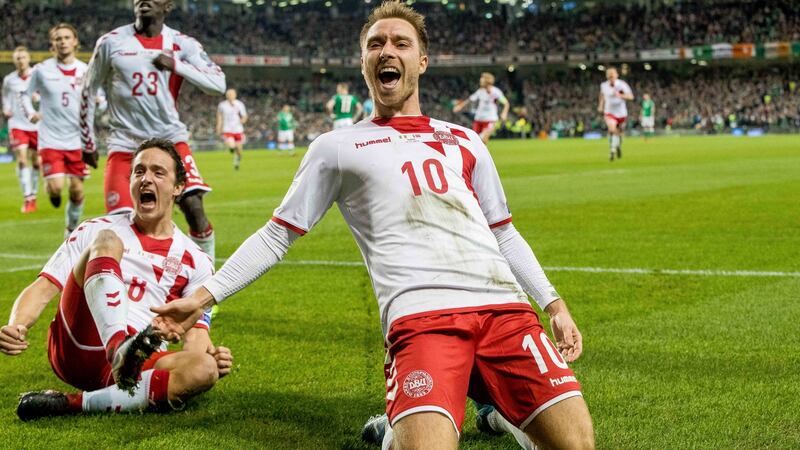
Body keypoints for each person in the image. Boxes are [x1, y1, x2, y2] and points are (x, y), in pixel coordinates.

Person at [152, 3, 594, 450]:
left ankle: (487, 412)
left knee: (576, 445)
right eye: (375, 44)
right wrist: (203, 298)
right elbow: (276, 235)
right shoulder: (338, 147)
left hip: (506, 312)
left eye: (401, 43)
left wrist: (552, 303)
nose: (387, 51)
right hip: (422, 318)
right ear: (363, 61)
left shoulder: (465, 140)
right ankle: (398, 428)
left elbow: (503, 232)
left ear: (421, 61)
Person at [0, 138, 232, 421]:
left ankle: (72, 404)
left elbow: (196, 333)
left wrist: (210, 359)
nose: (146, 179)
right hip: (79, 344)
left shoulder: (197, 260)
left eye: (158, 173)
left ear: (178, 188)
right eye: (139, 171)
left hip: (139, 361)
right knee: (107, 241)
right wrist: (17, 325)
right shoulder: (98, 229)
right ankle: (117, 349)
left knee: (203, 369)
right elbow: (45, 286)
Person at [80, 0, 226, 262]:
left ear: (167, 5)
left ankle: (206, 287)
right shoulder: (111, 42)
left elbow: (218, 84)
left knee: (193, 206)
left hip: (170, 141)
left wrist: (177, 66)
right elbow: (88, 89)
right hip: (126, 146)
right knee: (119, 226)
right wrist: (87, 142)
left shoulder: (183, 44)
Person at [22, 24, 94, 236]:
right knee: (55, 187)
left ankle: (70, 231)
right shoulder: (41, 70)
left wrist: (101, 101)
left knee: (77, 190)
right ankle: (52, 194)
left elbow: (97, 94)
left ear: (75, 42)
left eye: (66, 38)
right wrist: (30, 113)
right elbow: (25, 94)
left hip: (77, 141)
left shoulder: (86, 70)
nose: (62, 41)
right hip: (50, 139)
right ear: (52, 44)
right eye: (58, 38)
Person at [2, 46, 40, 213]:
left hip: (37, 124)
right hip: (17, 124)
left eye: (23, 57)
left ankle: (34, 193)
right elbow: (4, 96)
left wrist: (37, 98)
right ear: (14, 61)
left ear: (28, 58)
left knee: (37, 162)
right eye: (17, 58)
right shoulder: (9, 80)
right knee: (22, 159)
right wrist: (6, 108)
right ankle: (28, 197)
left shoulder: (37, 76)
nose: (20, 60)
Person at [452, 72, 509, 144]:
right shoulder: (480, 91)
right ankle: (481, 154)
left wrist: (504, 113)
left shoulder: (496, 92)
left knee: (482, 138)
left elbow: (506, 103)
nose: (480, 81)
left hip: (490, 119)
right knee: (477, 141)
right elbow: (470, 99)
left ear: (487, 81)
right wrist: (460, 106)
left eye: (482, 80)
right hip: (478, 119)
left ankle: (482, 152)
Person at [597, 67, 633, 161]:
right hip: (609, 112)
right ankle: (612, 150)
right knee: (612, 129)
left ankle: (617, 146)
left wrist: (620, 95)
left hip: (621, 113)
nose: (611, 77)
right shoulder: (604, 85)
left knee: (619, 133)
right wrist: (601, 105)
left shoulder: (622, 85)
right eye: (609, 76)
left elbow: (630, 96)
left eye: (612, 75)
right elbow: (602, 95)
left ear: (616, 75)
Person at [216, 88, 248, 170]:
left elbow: (244, 116)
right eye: (229, 94)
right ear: (226, 95)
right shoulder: (222, 105)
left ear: (235, 95)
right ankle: (231, 148)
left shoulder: (239, 104)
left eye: (232, 94)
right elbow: (219, 117)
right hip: (227, 129)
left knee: (239, 150)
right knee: (231, 145)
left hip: (238, 129)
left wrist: (243, 120)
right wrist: (218, 127)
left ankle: (237, 160)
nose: (230, 96)